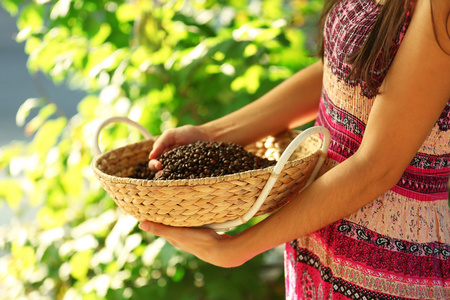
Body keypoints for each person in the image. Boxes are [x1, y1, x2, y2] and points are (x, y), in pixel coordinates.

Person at [139, 0, 450, 298]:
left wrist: (235, 248)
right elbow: (341, 70)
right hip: (314, 226)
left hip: (384, 264)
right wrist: (212, 133)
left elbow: (376, 167)